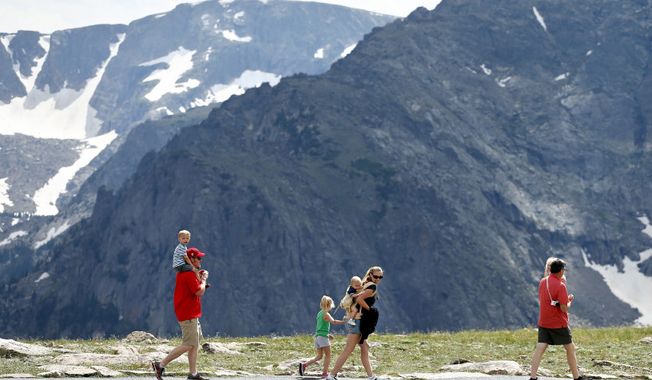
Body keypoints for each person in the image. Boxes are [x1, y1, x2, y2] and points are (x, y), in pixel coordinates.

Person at [152, 248, 210, 380]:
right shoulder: (188, 274)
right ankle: (160, 365)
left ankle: (193, 374)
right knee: (189, 344)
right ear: (191, 259)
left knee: (194, 343)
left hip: (189, 312)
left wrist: (200, 278)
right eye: (199, 258)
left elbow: (195, 286)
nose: (201, 260)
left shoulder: (187, 272)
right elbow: (199, 292)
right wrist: (204, 280)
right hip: (188, 313)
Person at [529, 259, 583, 380]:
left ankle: (532, 377)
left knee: (540, 348)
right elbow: (564, 309)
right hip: (558, 323)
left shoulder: (543, 282)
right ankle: (577, 377)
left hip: (544, 321)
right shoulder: (561, 285)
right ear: (560, 271)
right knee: (570, 348)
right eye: (563, 270)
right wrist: (568, 301)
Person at [327, 266, 384, 380]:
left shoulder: (363, 284)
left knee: (365, 347)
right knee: (348, 349)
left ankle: (371, 376)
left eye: (380, 277)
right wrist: (370, 309)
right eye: (376, 276)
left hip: (355, 320)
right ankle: (331, 375)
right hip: (357, 322)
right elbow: (359, 300)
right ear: (371, 275)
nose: (378, 279)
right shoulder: (371, 287)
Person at [299, 295, 345, 378]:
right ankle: (325, 373)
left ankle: (304, 365)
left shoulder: (319, 313)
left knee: (319, 356)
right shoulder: (326, 314)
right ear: (329, 305)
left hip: (317, 337)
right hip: (323, 337)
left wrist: (327, 334)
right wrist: (344, 321)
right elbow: (333, 322)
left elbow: (321, 326)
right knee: (328, 355)